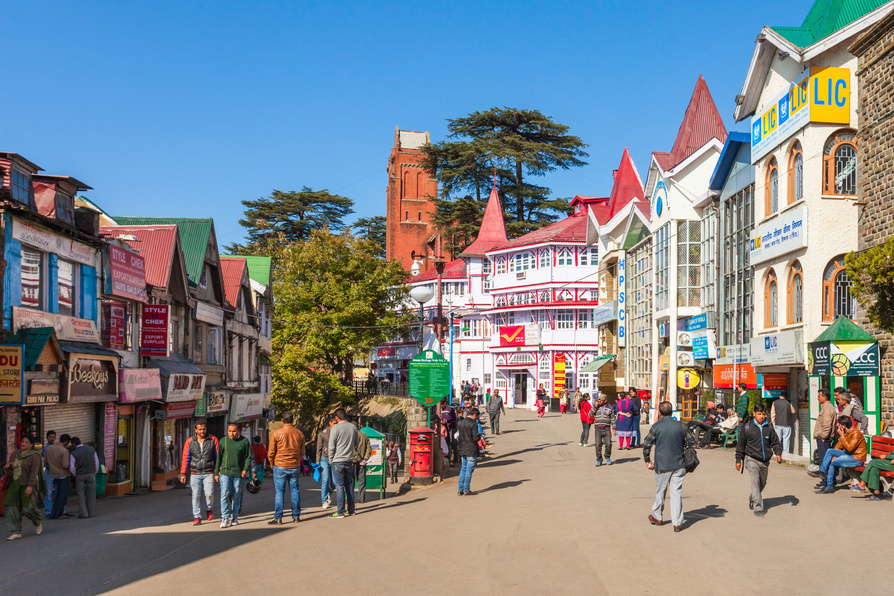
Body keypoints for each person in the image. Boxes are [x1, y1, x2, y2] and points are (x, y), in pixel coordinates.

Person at [642, 401, 694, 532]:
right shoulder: (681, 425)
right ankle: (677, 523)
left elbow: (647, 444)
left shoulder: (656, 426)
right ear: (672, 412)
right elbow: (692, 441)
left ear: (659, 413)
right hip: (679, 464)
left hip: (662, 463)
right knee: (676, 493)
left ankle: (658, 516)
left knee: (661, 491)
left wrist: (647, 460)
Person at [734, 403, 782, 517]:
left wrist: (778, 453)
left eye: (764, 414)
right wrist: (738, 460)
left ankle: (753, 497)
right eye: (759, 414)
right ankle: (758, 507)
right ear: (754, 414)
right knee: (754, 481)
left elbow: (775, 442)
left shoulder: (769, 427)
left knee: (762, 483)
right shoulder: (747, 428)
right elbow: (740, 446)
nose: (762, 416)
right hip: (751, 459)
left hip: (764, 461)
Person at [810, 415, 866, 494]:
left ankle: (829, 487)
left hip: (857, 458)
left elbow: (850, 448)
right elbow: (838, 446)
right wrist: (834, 455)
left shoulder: (856, 433)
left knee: (833, 462)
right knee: (830, 451)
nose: (837, 426)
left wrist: (842, 436)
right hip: (849, 455)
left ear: (843, 426)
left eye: (839, 425)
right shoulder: (846, 433)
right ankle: (822, 471)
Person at [267, 412, 306, 524]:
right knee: (295, 491)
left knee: (279, 492)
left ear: (282, 420)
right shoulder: (299, 434)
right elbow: (302, 452)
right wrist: (297, 460)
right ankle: (296, 516)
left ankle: (278, 517)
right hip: (294, 465)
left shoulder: (276, 433)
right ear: (292, 420)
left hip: (280, 465)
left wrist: (271, 463)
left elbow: (271, 452)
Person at [4, 435, 44, 541]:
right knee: (11, 507)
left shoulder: (34, 456)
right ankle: (15, 531)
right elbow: (10, 468)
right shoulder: (15, 454)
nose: (23, 444)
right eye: (22, 441)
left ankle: (37, 521)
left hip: (27, 484)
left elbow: (34, 472)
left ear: (31, 445)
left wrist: (30, 486)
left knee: (28, 508)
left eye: (26, 442)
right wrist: (7, 466)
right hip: (14, 484)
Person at [179, 420, 219, 525]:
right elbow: (185, 458)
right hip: (195, 473)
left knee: (209, 493)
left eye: (204, 429)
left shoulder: (213, 440)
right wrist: (183, 473)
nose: (202, 431)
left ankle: (208, 508)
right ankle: (197, 516)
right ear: (195, 430)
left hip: (209, 471)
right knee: (195, 495)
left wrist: (217, 471)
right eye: (200, 429)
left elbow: (217, 457)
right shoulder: (189, 442)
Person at [215, 423, 253, 528]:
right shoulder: (224, 441)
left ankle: (235, 516)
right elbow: (219, 457)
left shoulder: (244, 441)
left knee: (236, 495)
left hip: (238, 473)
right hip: (225, 472)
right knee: (224, 494)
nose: (231, 433)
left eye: (234, 431)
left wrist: (245, 469)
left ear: (239, 431)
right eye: (229, 431)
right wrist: (216, 472)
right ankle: (225, 517)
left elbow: (249, 457)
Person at [328, 408, 359, 518]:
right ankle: (351, 510)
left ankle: (340, 511)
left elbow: (331, 446)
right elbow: (357, 443)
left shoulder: (335, 428)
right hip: (349, 460)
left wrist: (331, 460)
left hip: (338, 460)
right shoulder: (353, 427)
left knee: (340, 487)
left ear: (336, 418)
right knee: (349, 485)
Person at [70, 438, 99, 519]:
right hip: (91, 474)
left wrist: (76, 474)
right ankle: (91, 512)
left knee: (81, 494)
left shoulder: (74, 453)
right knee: (91, 493)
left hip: (80, 475)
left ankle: (83, 513)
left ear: (73, 444)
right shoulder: (91, 450)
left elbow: (72, 467)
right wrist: (94, 472)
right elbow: (96, 462)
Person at [44, 433, 72, 519]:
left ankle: (53, 513)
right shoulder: (64, 451)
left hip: (53, 474)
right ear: (67, 441)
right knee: (62, 495)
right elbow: (65, 465)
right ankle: (59, 513)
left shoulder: (48, 448)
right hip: (63, 475)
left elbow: (45, 461)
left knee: (56, 495)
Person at [457, 408, 481, 495]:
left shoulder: (460, 422)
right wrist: (479, 436)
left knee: (463, 469)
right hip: (471, 449)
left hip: (463, 448)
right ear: (474, 415)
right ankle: (466, 489)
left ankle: (460, 489)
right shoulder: (473, 424)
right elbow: (475, 438)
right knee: (469, 470)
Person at [591, 395, 617, 466]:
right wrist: (595, 407)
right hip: (598, 429)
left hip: (606, 429)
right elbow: (590, 415)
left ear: (605, 401)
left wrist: (614, 428)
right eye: (598, 400)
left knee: (608, 444)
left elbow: (612, 419)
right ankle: (599, 459)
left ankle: (607, 456)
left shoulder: (610, 408)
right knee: (598, 445)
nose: (599, 401)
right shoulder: (595, 406)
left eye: (601, 400)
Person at [814, 389, 837, 466]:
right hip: (823, 438)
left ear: (825, 397)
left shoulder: (827, 408)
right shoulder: (825, 407)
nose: (818, 398)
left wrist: (823, 437)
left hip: (824, 439)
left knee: (824, 460)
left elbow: (827, 424)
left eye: (819, 396)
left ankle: (825, 476)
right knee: (822, 458)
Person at [316, 416, 335, 508]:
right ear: (330, 423)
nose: (335, 425)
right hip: (324, 458)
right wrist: (317, 461)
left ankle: (328, 493)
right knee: (325, 479)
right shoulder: (323, 433)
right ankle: (324, 500)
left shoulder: (338, 432)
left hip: (335, 458)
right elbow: (319, 448)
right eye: (334, 423)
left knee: (335, 481)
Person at [353, 421, 372, 504]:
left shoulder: (351, 437)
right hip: (362, 463)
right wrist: (365, 458)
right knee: (361, 481)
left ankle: (349, 498)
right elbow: (369, 448)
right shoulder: (365, 436)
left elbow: (353, 450)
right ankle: (361, 499)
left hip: (353, 462)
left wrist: (358, 458)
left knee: (351, 481)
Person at [40, 431, 56, 513]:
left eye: (53, 437)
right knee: (48, 492)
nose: (52, 439)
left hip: (56, 472)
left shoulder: (57, 448)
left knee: (57, 491)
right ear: (47, 438)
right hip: (49, 472)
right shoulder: (45, 449)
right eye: (50, 437)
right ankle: (48, 510)